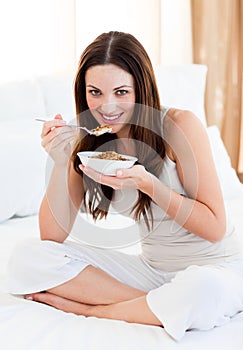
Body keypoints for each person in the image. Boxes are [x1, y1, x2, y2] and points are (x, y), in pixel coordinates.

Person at [7, 31, 243, 341]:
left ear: (141, 88)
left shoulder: (179, 126)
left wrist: (149, 184)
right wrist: (63, 160)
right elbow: (52, 237)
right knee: (26, 257)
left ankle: (102, 309)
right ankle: (151, 304)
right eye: (95, 92)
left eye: (121, 92)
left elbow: (214, 226)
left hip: (217, 266)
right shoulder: (91, 143)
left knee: (203, 291)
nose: (107, 106)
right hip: (152, 272)